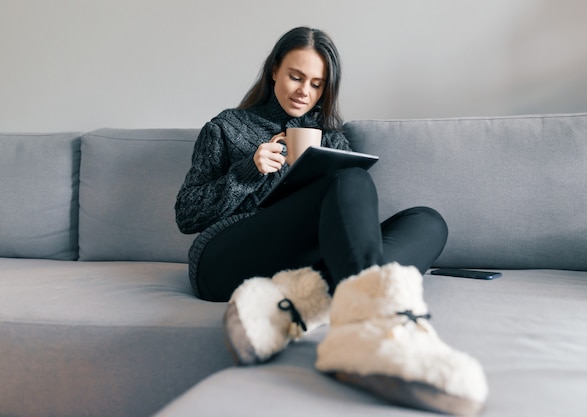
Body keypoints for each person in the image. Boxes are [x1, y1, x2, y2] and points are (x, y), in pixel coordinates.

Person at [175, 27, 487, 415]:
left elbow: (348, 225)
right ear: (274, 70)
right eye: (295, 76)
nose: (304, 91)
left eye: (317, 84)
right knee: (348, 179)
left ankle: (305, 301)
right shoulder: (226, 127)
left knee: (427, 221)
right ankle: (373, 330)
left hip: (302, 261)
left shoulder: (333, 140)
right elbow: (186, 215)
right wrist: (245, 172)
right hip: (224, 258)